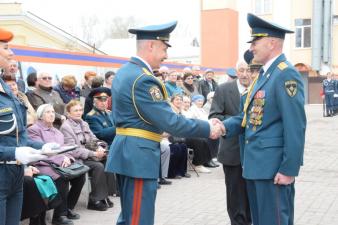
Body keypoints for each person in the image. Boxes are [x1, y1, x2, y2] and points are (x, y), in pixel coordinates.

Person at [105, 21, 224, 225]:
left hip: (128, 151)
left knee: (129, 216)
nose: (166, 55)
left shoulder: (125, 71)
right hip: (139, 156)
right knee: (138, 219)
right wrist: (208, 128)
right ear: (151, 45)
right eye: (164, 48)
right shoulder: (143, 79)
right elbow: (171, 122)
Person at [222, 13, 306, 225]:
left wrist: (289, 169)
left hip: (273, 171)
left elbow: (295, 126)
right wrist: (221, 126)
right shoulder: (263, 75)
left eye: (255, 42)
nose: (251, 48)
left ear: (272, 43)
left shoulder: (285, 74)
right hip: (255, 167)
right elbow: (247, 117)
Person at [0, 27, 47, 225]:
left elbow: (20, 134)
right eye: (5, 47)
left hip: (15, 175)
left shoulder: (7, 88)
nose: (11, 53)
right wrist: (14, 153)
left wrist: (41, 147)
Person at [209, 59, 252, 225]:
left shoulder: (258, 89)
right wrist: (237, 122)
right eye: (241, 70)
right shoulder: (224, 89)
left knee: (251, 194)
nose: (244, 74)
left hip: (252, 153)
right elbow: (214, 116)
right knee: (235, 195)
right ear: (236, 72)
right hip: (232, 151)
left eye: (248, 70)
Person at [28, 104, 86, 225]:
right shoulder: (34, 129)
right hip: (42, 164)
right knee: (60, 177)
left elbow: (66, 149)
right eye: (48, 112)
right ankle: (59, 216)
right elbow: (42, 152)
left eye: (53, 111)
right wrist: (61, 159)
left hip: (58, 163)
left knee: (80, 176)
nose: (52, 114)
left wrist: (69, 158)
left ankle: (68, 208)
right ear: (40, 116)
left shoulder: (57, 132)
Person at [60, 100, 114, 211]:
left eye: (80, 110)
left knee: (108, 160)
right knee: (98, 166)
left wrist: (100, 147)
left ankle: (104, 195)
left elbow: (94, 138)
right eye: (75, 110)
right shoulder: (66, 127)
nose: (79, 112)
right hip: (76, 158)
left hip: (89, 155)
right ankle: (94, 200)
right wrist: (93, 153)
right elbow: (74, 150)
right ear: (68, 113)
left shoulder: (83, 123)